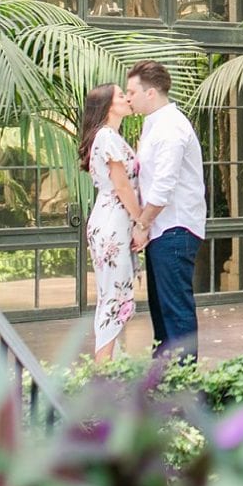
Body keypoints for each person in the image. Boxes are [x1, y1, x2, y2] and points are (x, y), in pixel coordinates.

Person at [126, 59, 206, 361]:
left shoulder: (171, 127)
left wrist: (142, 224)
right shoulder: (153, 124)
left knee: (175, 313)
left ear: (151, 93)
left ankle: (184, 386)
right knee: (161, 313)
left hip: (175, 229)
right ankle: (164, 384)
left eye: (132, 92)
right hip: (162, 230)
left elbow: (163, 185)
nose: (128, 97)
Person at [78, 83, 141, 361]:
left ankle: (108, 364)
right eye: (120, 95)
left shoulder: (108, 136)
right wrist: (142, 221)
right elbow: (122, 186)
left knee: (112, 296)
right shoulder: (107, 137)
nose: (127, 98)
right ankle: (102, 369)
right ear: (107, 106)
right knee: (114, 298)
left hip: (111, 220)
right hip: (113, 221)